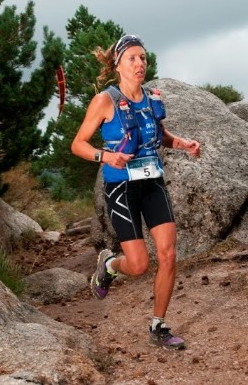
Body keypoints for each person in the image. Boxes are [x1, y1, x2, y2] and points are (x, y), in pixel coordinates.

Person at [71, 34, 200, 350]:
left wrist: (180, 142)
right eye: (132, 58)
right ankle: (110, 265)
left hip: (152, 183)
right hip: (121, 188)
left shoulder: (154, 98)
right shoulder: (104, 101)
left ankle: (159, 326)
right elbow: (78, 145)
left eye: (143, 58)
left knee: (169, 254)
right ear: (118, 65)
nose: (140, 63)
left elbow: (158, 135)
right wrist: (106, 156)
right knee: (139, 265)